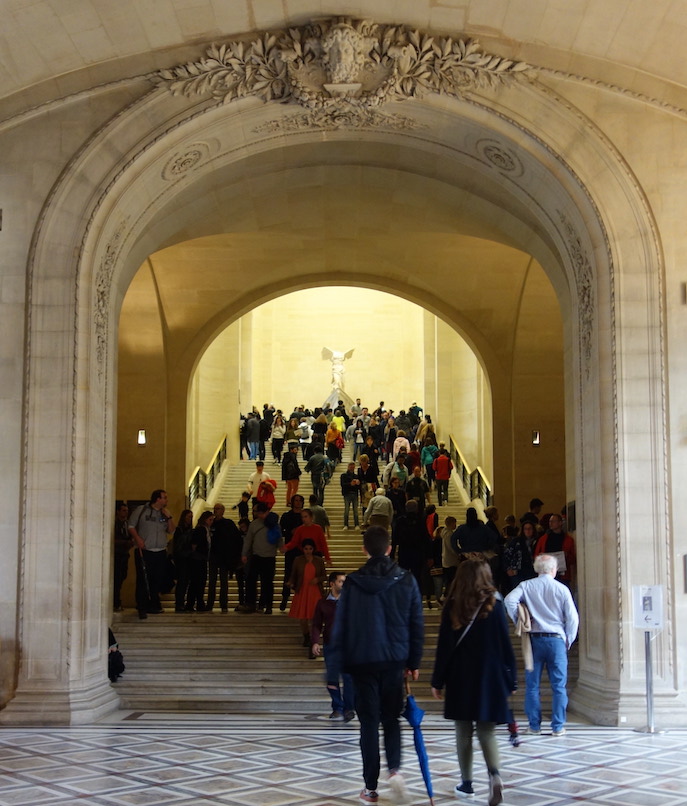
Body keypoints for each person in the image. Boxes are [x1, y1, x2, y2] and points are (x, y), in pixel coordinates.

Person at [328, 526, 424, 806]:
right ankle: (395, 770)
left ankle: (370, 787)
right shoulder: (406, 579)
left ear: (364, 550)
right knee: (391, 719)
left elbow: (340, 628)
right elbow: (416, 623)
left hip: (362, 662)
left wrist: (333, 670)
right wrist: (414, 661)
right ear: (390, 548)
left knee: (368, 724)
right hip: (394, 661)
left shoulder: (353, 583)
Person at [431, 559, 516, 806]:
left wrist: (438, 680)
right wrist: (511, 677)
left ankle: (467, 784)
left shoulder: (453, 604)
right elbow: (505, 644)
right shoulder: (496, 604)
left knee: (463, 730)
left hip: (461, 675)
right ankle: (495, 775)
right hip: (490, 675)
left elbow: (444, 646)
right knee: (487, 730)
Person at [504, 554, 579, 736]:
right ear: (553, 570)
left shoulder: (526, 585)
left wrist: (520, 620)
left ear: (537, 568)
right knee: (559, 686)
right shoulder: (561, 589)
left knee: (532, 685)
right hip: (556, 640)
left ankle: (534, 726)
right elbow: (572, 617)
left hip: (533, 640)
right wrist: (568, 639)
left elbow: (509, 600)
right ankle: (558, 726)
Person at [311, 571, 355, 721]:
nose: (344, 584)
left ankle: (349, 708)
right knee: (332, 678)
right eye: (341, 581)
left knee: (349, 678)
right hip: (331, 645)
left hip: (348, 645)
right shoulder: (323, 603)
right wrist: (315, 641)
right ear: (332, 584)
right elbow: (316, 624)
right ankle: (337, 707)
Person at [128, 490, 175, 619]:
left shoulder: (165, 513)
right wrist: (137, 539)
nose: (166, 500)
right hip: (144, 550)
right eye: (164, 498)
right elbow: (131, 525)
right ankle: (142, 606)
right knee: (143, 579)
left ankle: (154, 604)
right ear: (157, 499)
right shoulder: (141, 510)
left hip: (160, 551)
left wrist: (169, 517)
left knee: (157, 579)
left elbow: (171, 530)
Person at [241, 502, 283, 614]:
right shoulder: (254, 524)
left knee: (267, 582)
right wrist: (244, 554)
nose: (260, 515)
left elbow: (279, 538)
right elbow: (248, 540)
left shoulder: (274, 524)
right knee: (251, 580)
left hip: (269, 557)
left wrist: (281, 547)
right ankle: (251, 603)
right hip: (256, 556)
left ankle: (266, 605)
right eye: (258, 513)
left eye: (261, 513)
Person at [288, 538, 326, 656]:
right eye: (306, 549)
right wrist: (290, 583)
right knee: (303, 617)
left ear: (313, 549)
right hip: (302, 590)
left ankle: (313, 638)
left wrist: (317, 579)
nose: (308, 551)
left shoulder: (319, 560)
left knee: (314, 616)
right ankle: (306, 637)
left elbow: (324, 576)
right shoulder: (298, 560)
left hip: (315, 591)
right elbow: (293, 574)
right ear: (302, 549)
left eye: (310, 549)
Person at [207, 503, 242, 613]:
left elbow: (237, 539)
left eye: (218, 509)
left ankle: (224, 604)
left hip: (224, 558)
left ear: (223, 510)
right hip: (213, 557)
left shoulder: (228, 524)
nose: (216, 511)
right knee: (212, 582)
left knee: (224, 582)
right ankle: (209, 604)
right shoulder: (210, 524)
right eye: (214, 509)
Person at [533, 513, 576, 589]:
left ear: (560, 523)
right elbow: (536, 556)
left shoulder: (568, 540)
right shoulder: (543, 539)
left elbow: (573, 559)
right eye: (550, 521)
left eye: (553, 521)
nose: (551, 523)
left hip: (562, 574)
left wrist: (566, 555)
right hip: (546, 573)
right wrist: (541, 556)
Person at [279, 494, 306, 611]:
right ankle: (285, 598)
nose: (298, 502)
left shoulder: (305, 516)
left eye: (300, 501)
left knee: (302, 575)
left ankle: (300, 600)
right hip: (291, 549)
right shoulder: (286, 516)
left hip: (302, 550)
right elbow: (281, 530)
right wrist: (290, 532)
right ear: (292, 502)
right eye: (296, 500)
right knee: (288, 574)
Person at [187, 510, 213, 612]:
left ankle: (197, 603)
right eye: (210, 519)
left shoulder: (206, 529)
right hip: (198, 559)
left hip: (201, 558)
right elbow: (194, 544)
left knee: (199, 582)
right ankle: (195, 603)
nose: (211, 522)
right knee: (197, 582)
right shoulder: (201, 530)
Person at [503, 520, 536, 591]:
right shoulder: (516, 542)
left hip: (532, 570)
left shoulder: (536, 541)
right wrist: (508, 568)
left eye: (530, 528)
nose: (528, 531)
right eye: (525, 529)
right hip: (518, 571)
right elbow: (506, 555)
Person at [172, 509, 194, 612]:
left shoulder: (190, 530)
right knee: (182, 582)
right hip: (181, 559)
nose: (190, 519)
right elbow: (177, 546)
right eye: (188, 517)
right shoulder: (179, 530)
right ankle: (179, 603)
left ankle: (182, 603)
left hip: (188, 558)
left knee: (185, 582)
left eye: (191, 517)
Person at [113, 502, 132, 611]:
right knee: (116, 579)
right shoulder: (115, 523)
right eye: (124, 510)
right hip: (117, 554)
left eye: (127, 511)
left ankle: (117, 601)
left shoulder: (127, 524)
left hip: (124, 554)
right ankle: (116, 602)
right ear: (118, 511)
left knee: (122, 577)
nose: (126, 513)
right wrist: (125, 543)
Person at [340, 461, 361, 530]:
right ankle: (345, 524)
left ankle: (357, 524)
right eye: (350, 466)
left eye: (353, 466)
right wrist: (350, 484)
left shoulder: (356, 476)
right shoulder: (344, 475)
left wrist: (358, 484)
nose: (352, 468)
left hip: (355, 493)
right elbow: (343, 485)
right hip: (347, 494)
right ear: (348, 467)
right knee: (347, 510)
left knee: (355, 510)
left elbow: (359, 487)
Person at [281, 441, 301, 507]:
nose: (297, 451)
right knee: (294, 489)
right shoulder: (293, 456)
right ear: (291, 450)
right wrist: (299, 472)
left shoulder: (285, 457)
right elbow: (295, 465)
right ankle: (292, 501)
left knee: (289, 489)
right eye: (295, 449)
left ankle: (288, 501)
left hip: (287, 476)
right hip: (294, 475)